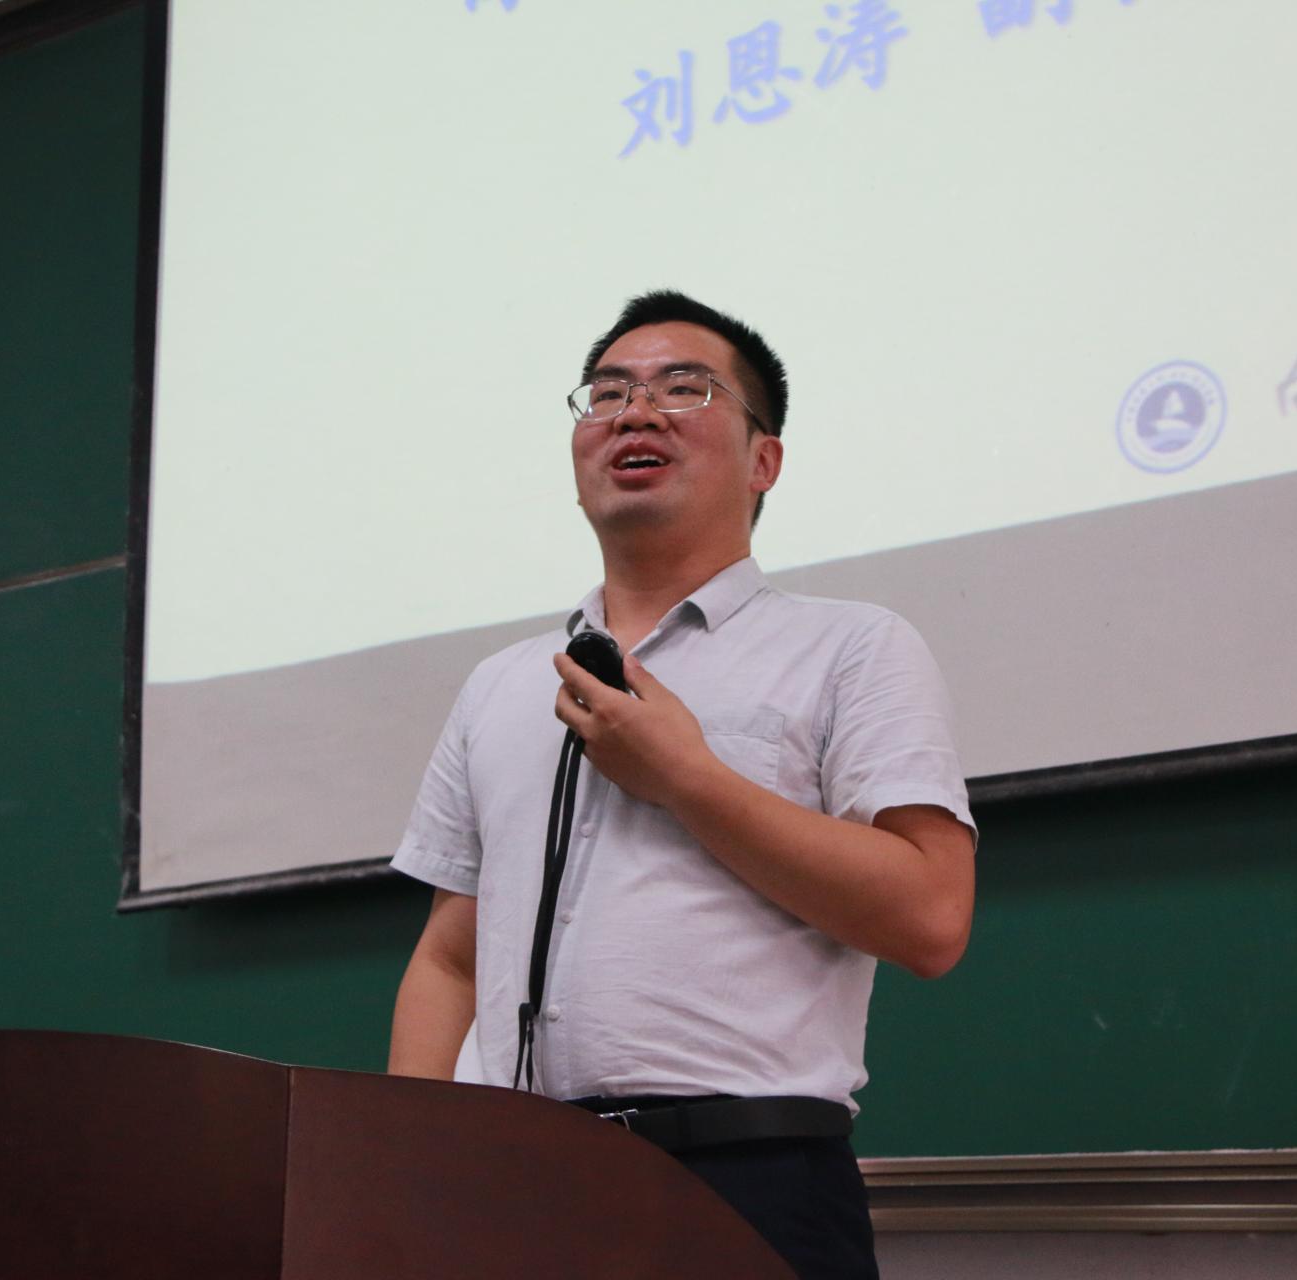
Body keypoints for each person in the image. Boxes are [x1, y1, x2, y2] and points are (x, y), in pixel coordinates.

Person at [387, 290, 977, 1279]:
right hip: (510, 1185)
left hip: (747, 1178)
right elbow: (451, 958)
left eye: (684, 389)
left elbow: (931, 915)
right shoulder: (499, 684)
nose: (636, 413)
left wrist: (686, 777)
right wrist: (405, 1167)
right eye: (607, 394)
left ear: (763, 460)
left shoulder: (851, 646)